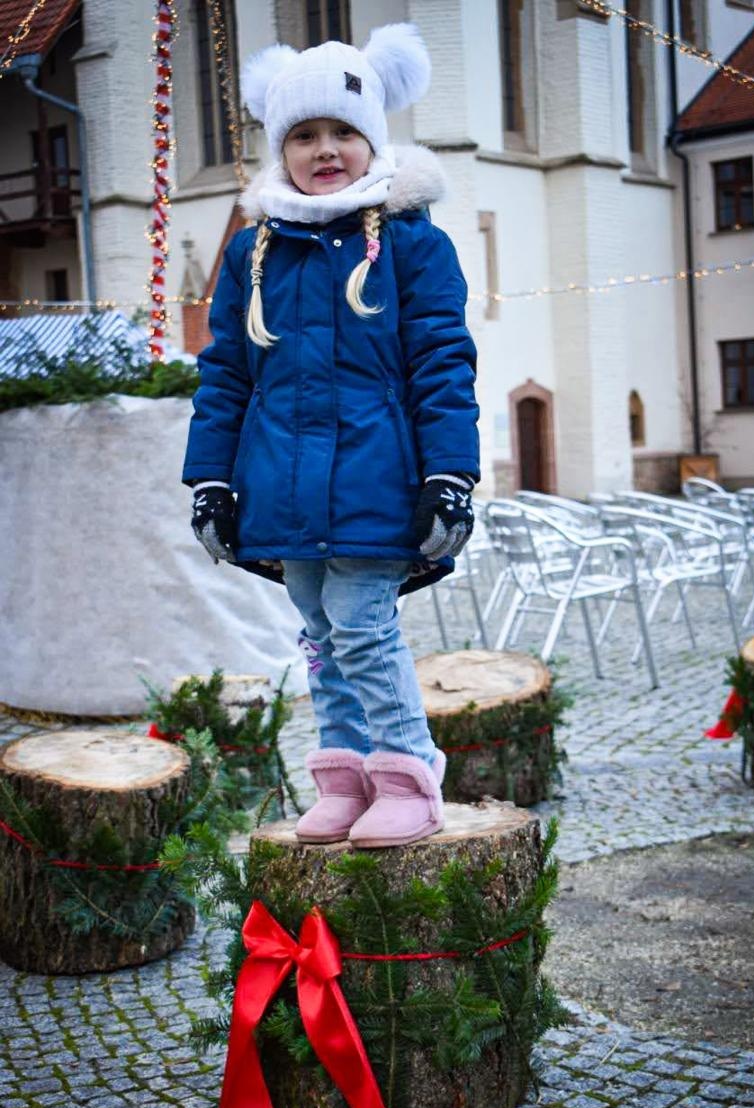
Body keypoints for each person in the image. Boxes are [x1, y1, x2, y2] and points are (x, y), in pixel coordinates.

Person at [182, 23, 480, 849]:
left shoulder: (412, 244)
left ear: (372, 138)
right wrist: (210, 479)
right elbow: (228, 373)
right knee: (317, 626)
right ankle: (344, 772)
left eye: (343, 132)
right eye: (304, 135)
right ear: (281, 149)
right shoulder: (254, 251)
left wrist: (449, 475)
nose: (325, 149)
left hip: (380, 479)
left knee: (359, 620)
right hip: (282, 479)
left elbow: (443, 365)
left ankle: (408, 772)